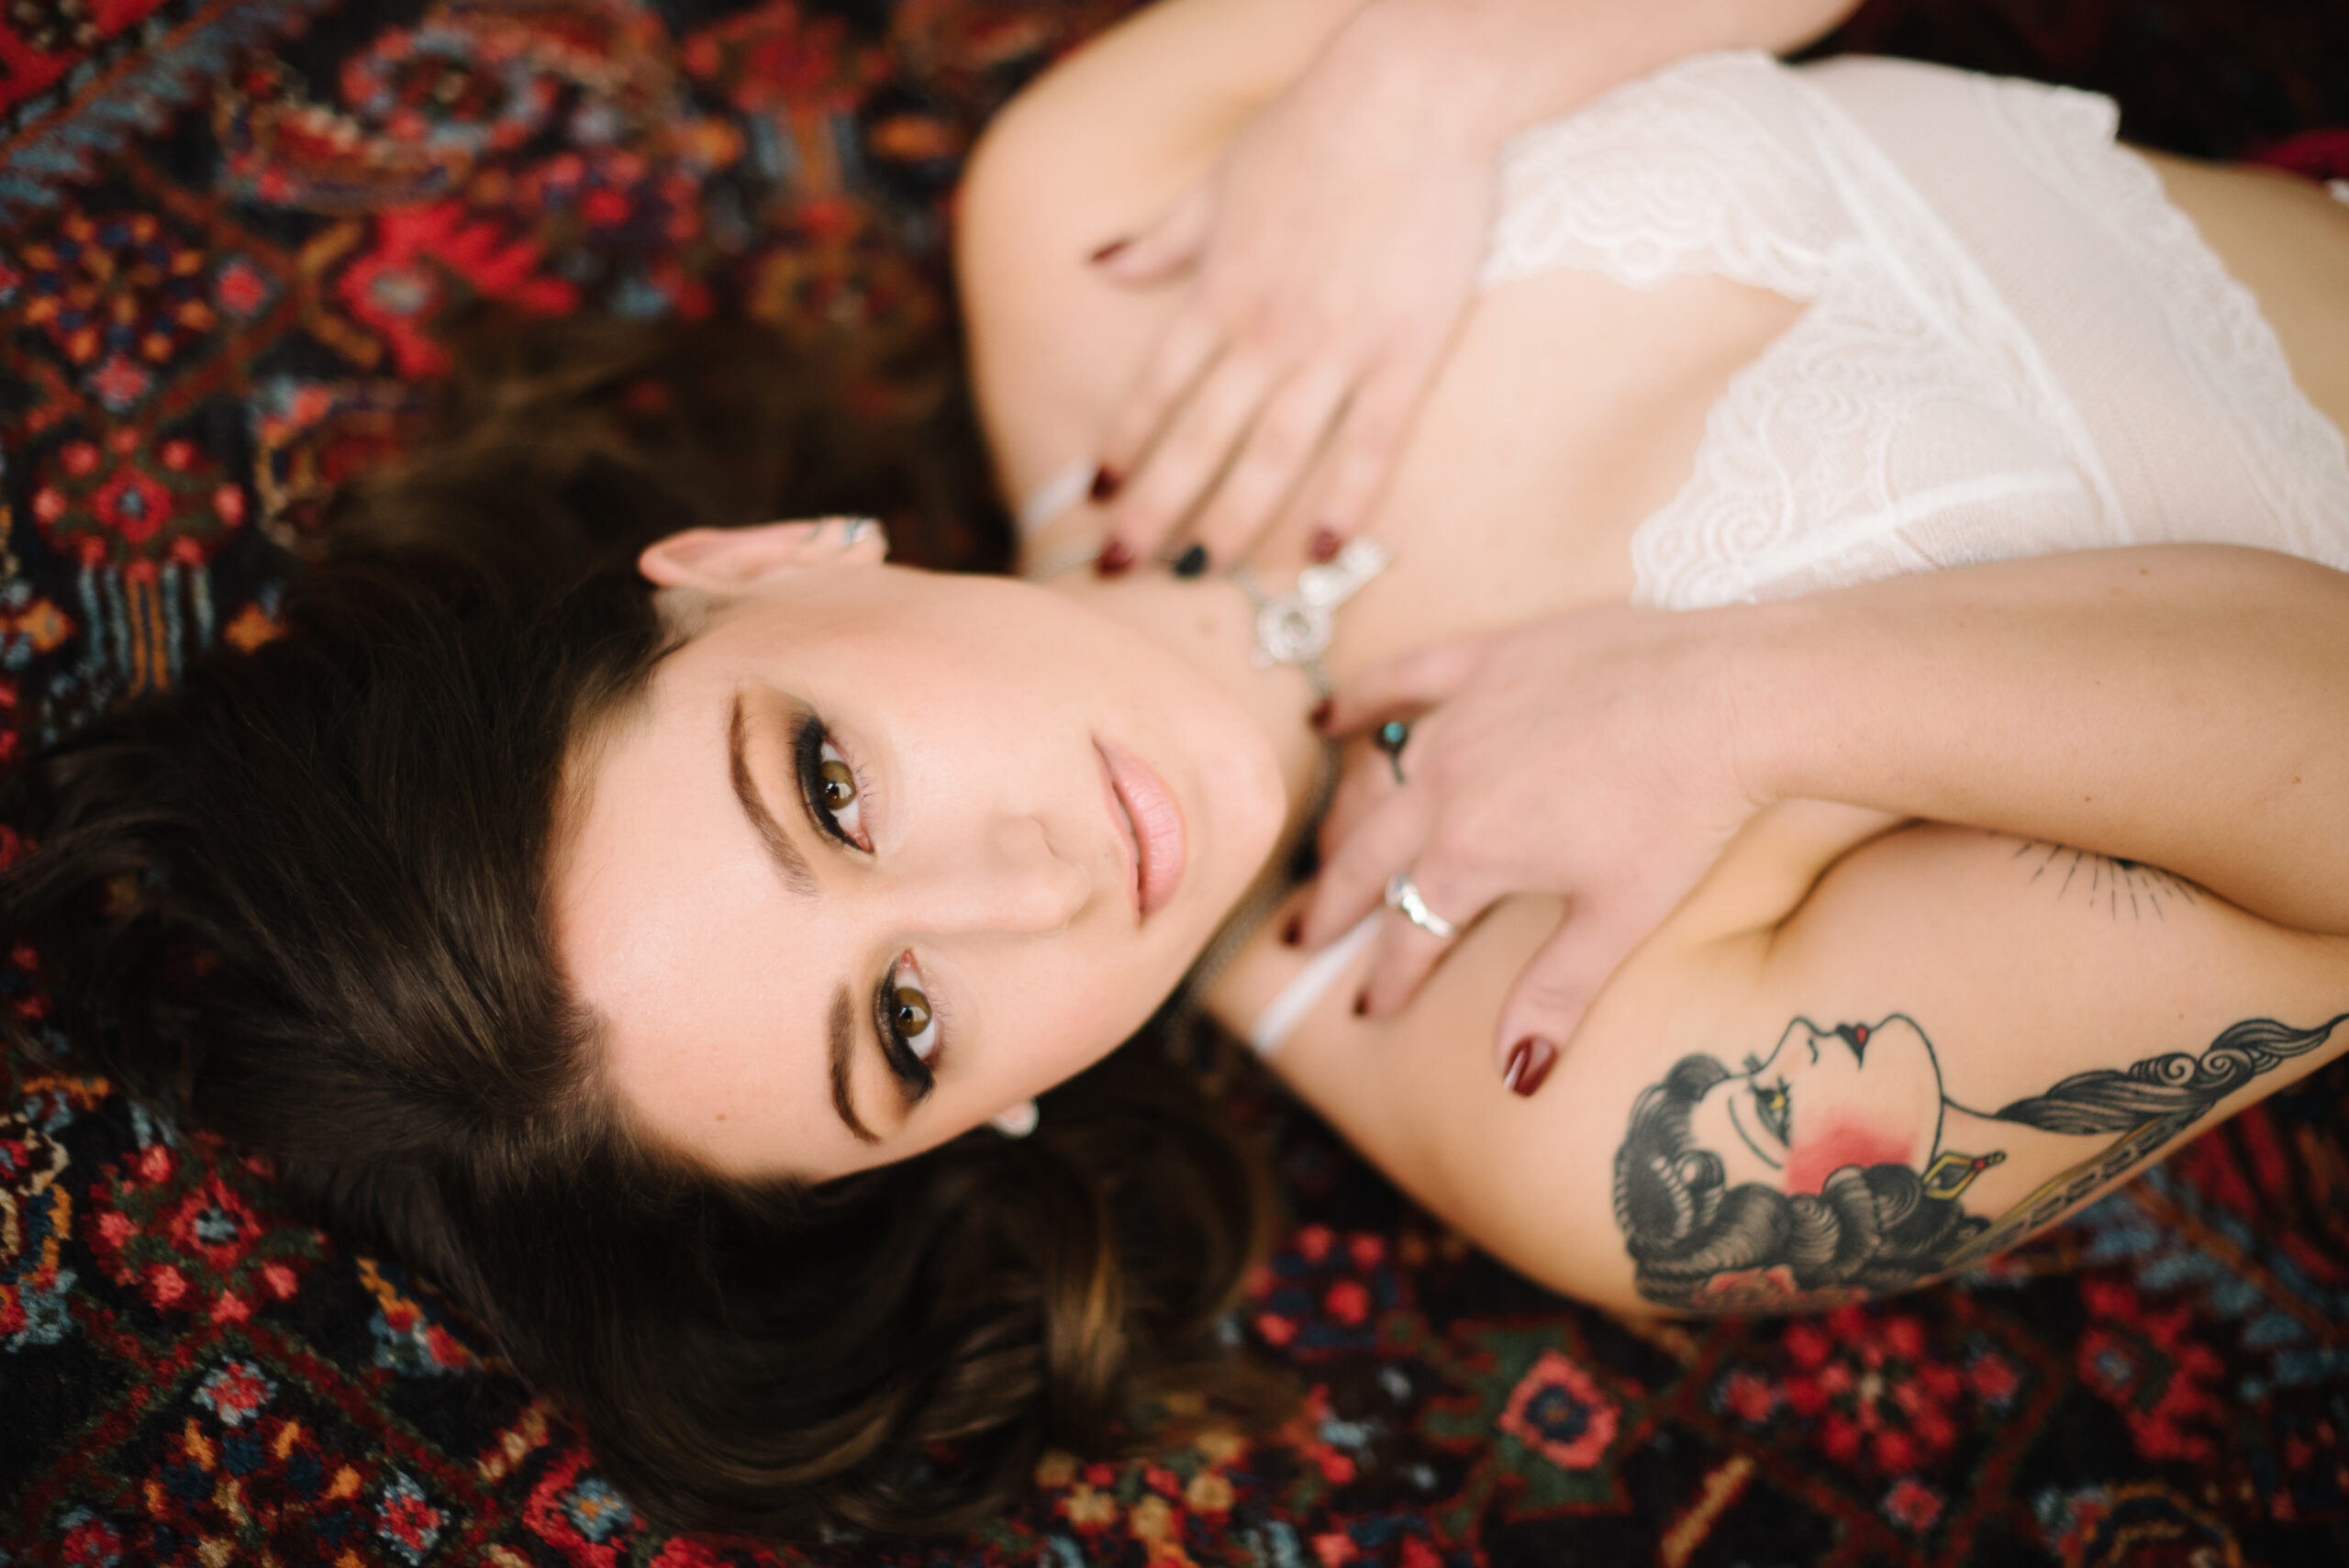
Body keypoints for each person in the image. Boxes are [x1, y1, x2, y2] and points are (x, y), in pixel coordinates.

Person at [8, 0, 2349, 1542]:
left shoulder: (1089, 226)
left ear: (750, 562)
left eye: (826, 788)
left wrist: (1424, 85)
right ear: (967, 1134)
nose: (1030, 890)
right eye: (902, 1032)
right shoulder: (1583, 1117)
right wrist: (1754, 702)